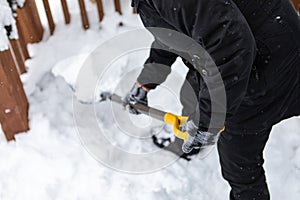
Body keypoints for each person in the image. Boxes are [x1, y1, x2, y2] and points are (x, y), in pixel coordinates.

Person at [126, 0, 300, 199]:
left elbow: (230, 46)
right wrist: (147, 80)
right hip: (275, 41)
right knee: (191, 91)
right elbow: (177, 28)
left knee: (240, 167)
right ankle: (189, 142)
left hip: (260, 70)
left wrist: (208, 120)